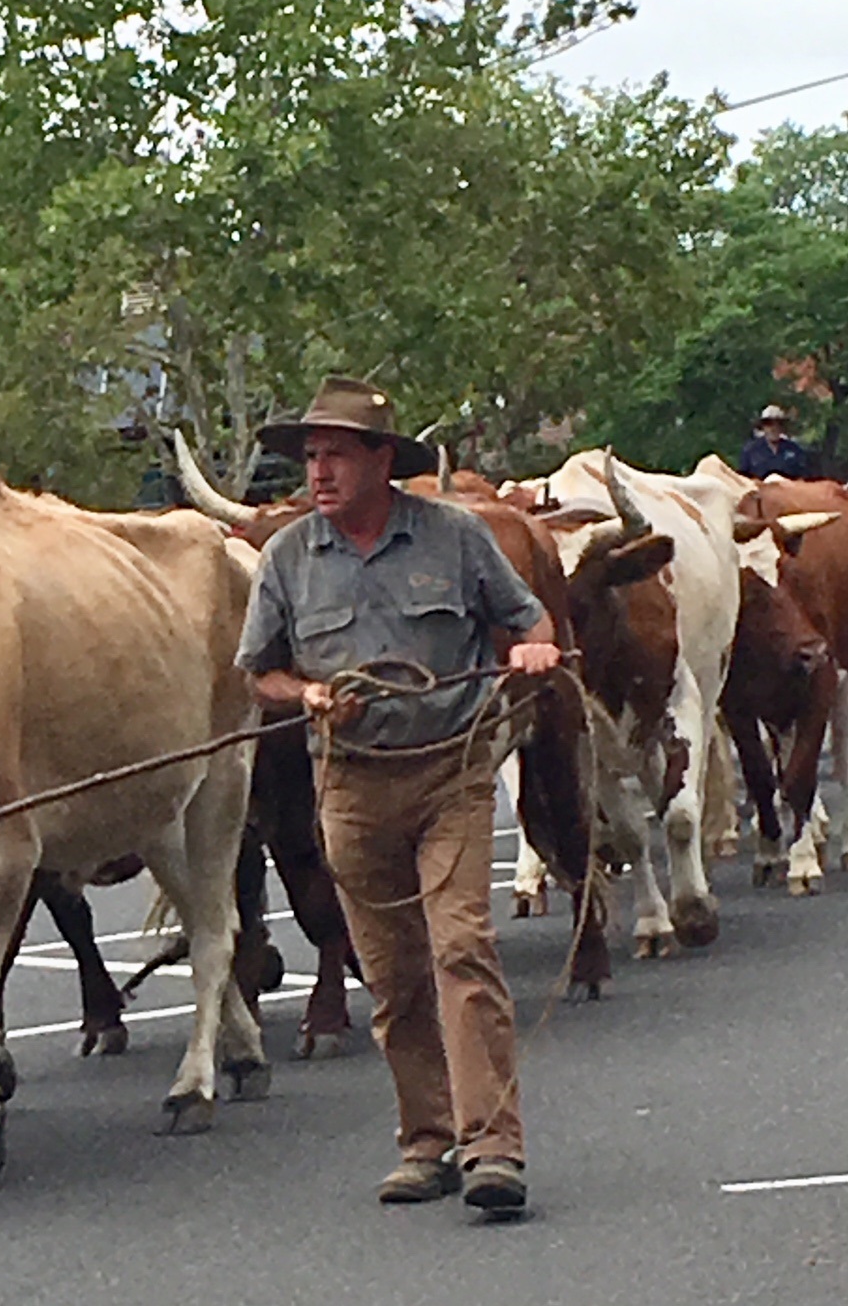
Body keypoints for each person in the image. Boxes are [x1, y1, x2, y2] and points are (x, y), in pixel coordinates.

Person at [234, 376, 560, 1218]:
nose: (319, 472)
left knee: (462, 949)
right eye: (311, 457)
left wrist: (532, 652)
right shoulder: (287, 559)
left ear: (383, 461)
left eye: (337, 454)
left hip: (449, 769)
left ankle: (494, 1147)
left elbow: (530, 622)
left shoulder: (455, 537)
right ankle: (427, 1141)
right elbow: (259, 672)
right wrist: (305, 695)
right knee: (393, 975)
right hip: (349, 784)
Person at [738, 404, 814, 479]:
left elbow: (803, 478)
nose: (773, 428)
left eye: (778, 424)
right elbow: (743, 481)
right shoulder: (750, 451)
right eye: (768, 424)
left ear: (782, 427)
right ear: (763, 427)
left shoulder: (795, 450)